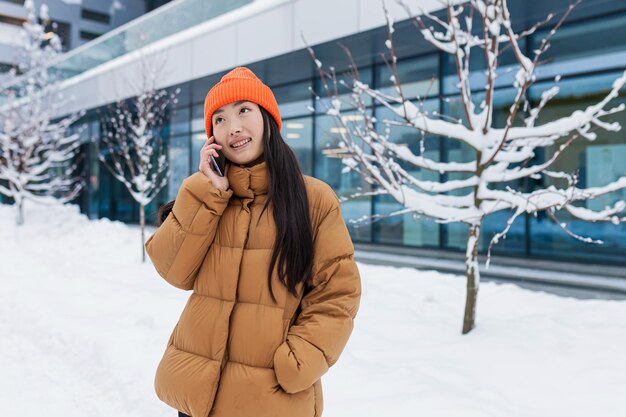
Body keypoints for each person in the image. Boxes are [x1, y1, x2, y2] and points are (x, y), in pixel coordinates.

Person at [144, 67, 362, 417]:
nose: (233, 128)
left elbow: (338, 294)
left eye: (244, 110)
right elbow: (174, 271)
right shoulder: (207, 194)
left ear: (268, 118)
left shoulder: (314, 199)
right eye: (220, 119)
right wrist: (207, 193)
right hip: (198, 396)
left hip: (268, 399)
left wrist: (298, 362)